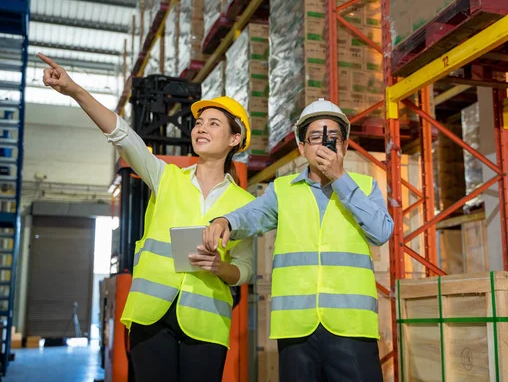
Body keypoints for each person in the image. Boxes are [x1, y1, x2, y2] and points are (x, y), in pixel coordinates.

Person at [38, 53, 256, 382]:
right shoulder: (165, 178)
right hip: (151, 318)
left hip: (207, 323)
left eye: (213, 123)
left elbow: (247, 268)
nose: (200, 128)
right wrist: (75, 91)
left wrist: (220, 268)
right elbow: (123, 135)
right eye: (198, 122)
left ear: (235, 139)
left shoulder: (245, 203)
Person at [204, 98, 394, 382]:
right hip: (296, 330)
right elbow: (251, 215)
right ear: (302, 147)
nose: (325, 145)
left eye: (333, 138)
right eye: (315, 138)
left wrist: (340, 178)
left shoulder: (364, 187)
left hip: (352, 328)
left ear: (343, 145)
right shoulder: (282, 190)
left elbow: (381, 231)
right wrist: (225, 220)